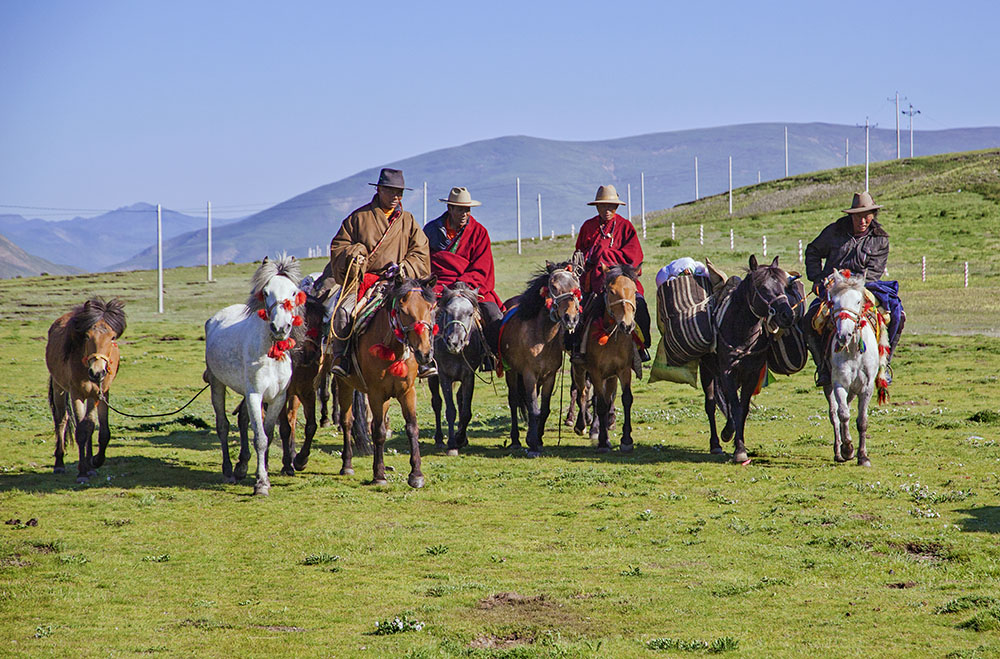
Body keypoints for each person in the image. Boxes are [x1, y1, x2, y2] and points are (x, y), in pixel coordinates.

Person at [323, 168, 431, 377]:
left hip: (399, 283)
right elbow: (339, 246)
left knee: (423, 314)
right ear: (379, 189)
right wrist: (355, 255)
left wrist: (403, 267)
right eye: (390, 191)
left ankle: (425, 358)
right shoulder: (358, 217)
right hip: (364, 281)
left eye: (399, 192)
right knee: (344, 312)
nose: (395, 197)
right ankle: (342, 357)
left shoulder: (408, 221)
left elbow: (421, 251)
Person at [803, 191, 905, 386]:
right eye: (858, 216)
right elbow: (813, 251)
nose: (863, 220)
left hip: (866, 288)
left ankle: (884, 365)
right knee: (809, 320)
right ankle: (823, 368)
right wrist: (817, 279)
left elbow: (874, 273)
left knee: (898, 316)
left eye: (867, 215)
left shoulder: (880, 239)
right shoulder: (834, 232)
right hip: (833, 288)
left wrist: (851, 284)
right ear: (851, 216)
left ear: (873, 214)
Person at [569, 184, 652, 368]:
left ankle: (642, 347)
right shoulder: (588, 227)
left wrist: (604, 255)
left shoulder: (626, 227)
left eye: (611, 206)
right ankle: (577, 349)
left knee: (642, 307)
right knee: (579, 311)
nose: (607, 210)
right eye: (603, 206)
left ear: (616, 207)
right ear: (597, 207)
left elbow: (634, 256)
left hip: (622, 282)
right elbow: (580, 253)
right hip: (595, 283)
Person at [423, 187, 504, 370]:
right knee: (421, 317)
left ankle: (491, 357)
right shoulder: (430, 230)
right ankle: (424, 359)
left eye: (467, 209)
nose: (464, 214)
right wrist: (434, 286)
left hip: (470, 287)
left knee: (493, 314)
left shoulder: (479, 232)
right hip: (440, 286)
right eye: (460, 209)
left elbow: (483, 267)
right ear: (450, 208)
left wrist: (464, 286)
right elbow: (424, 262)